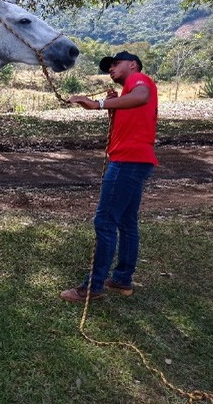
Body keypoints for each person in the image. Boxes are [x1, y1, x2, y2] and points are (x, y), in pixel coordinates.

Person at [60, 51, 158, 302]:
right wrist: (111, 107)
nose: (111, 69)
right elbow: (132, 117)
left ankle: (93, 287)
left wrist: (98, 104)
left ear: (133, 64)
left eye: (116, 64)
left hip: (127, 161)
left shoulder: (140, 81)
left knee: (105, 221)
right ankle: (122, 279)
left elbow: (142, 96)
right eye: (109, 67)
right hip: (136, 160)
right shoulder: (127, 94)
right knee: (126, 221)